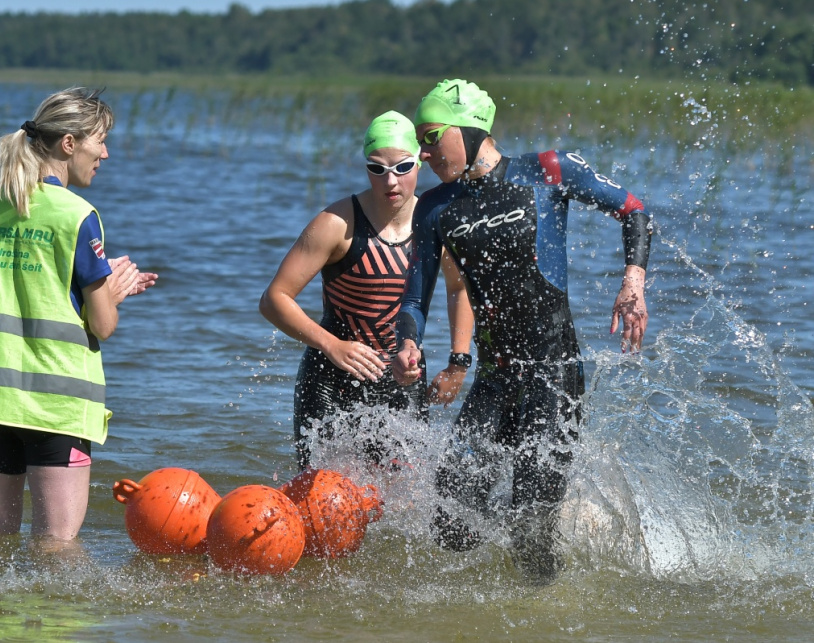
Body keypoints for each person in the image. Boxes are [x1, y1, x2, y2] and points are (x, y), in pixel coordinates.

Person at [393, 79, 651, 582]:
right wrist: (408, 343)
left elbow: (633, 210)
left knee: (531, 528)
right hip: (494, 380)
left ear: (470, 129)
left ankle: (550, 599)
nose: (423, 153)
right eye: (421, 142)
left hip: (555, 378)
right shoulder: (435, 207)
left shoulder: (548, 170)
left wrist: (633, 281)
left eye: (431, 137)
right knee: (451, 516)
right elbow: (414, 297)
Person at [0, 87, 158, 545]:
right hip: (57, 402)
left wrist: (98, 282)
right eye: (100, 142)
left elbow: (29, 289)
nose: (105, 154)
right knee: (56, 545)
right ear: (69, 143)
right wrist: (114, 290)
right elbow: (102, 325)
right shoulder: (77, 214)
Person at [260, 111, 474, 470]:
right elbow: (273, 299)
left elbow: (459, 289)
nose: (391, 181)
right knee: (321, 494)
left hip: (403, 376)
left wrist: (458, 364)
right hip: (331, 376)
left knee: (405, 494)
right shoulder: (336, 224)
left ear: (420, 162)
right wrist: (332, 345)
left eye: (402, 168)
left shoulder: (437, 222)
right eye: (377, 169)